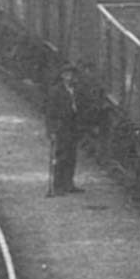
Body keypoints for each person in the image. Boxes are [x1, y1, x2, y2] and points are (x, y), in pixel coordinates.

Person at [46, 66, 84, 196]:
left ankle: (69, 183)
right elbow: (50, 112)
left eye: (72, 75)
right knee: (61, 156)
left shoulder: (75, 90)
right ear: (62, 76)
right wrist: (51, 130)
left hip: (73, 126)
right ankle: (58, 186)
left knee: (72, 156)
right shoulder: (56, 91)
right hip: (61, 126)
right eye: (67, 75)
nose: (70, 77)